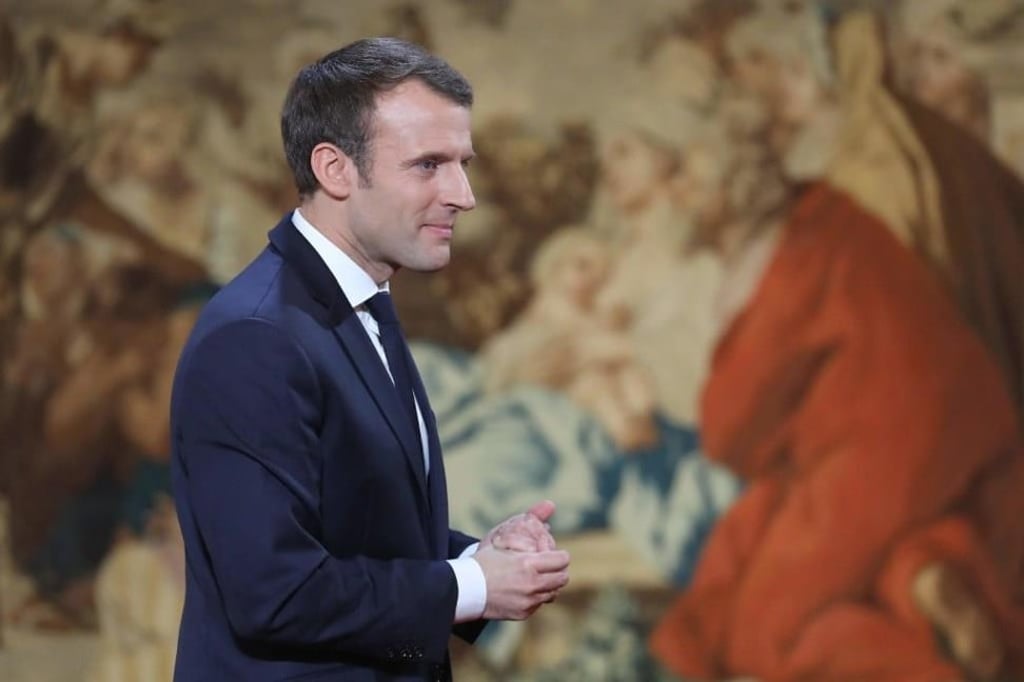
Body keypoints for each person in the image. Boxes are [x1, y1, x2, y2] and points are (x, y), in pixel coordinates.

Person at [170, 37, 570, 681]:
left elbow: (348, 530)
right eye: (428, 165)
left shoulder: (359, 305)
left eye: (463, 162)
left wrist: (478, 558)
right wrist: (469, 586)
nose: (463, 194)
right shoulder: (254, 337)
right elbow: (277, 593)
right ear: (334, 169)